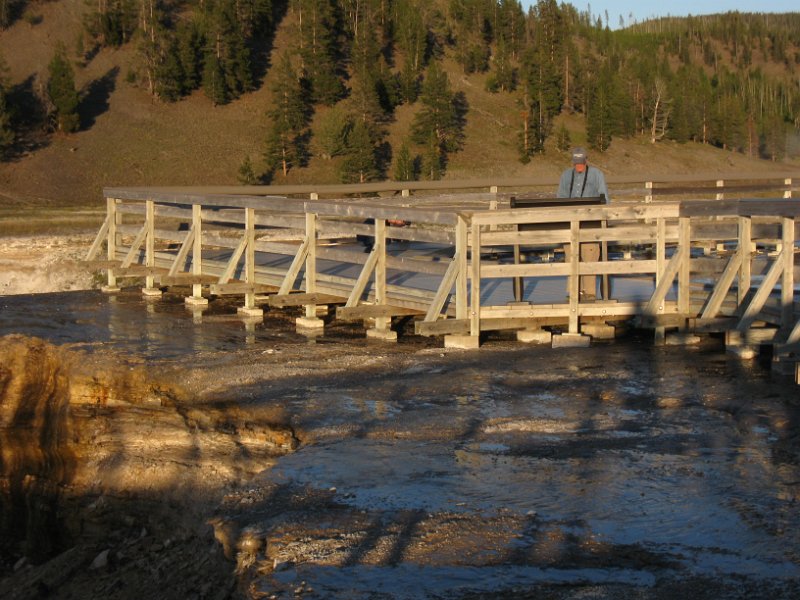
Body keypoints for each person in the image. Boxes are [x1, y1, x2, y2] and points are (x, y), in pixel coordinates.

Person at [556, 147, 610, 299]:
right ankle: (573, 292)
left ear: (586, 160)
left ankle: (590, 294)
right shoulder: (566, 176)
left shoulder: (597, 175)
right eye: (576, 163)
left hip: (590, 224)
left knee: (590, 256)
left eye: (581, 162)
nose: (578, 166)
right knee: (571, 257)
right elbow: (560, 198)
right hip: (570, 224)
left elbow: (604, 199)